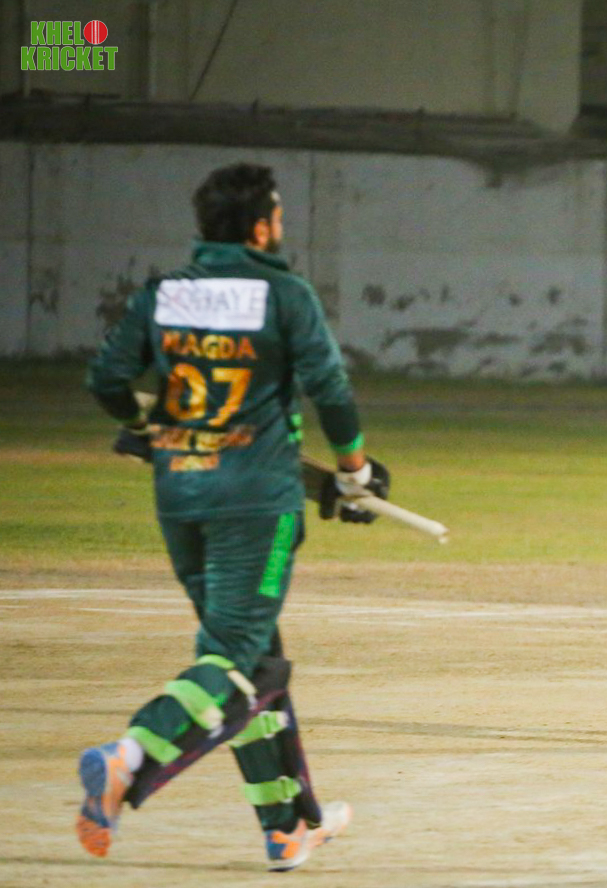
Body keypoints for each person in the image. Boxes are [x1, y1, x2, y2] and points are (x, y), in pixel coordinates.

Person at [81, 162, 388, 870]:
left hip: (180, 495)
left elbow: (107, 379)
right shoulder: (284, 294)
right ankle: (128, 754)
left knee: (251, 663)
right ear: (260, 228)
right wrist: (354, 473)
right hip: (256, 502)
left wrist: (144, 425)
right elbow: (330, 390)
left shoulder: (164, 293)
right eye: (276, 216)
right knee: (233, 663)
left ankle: (285, 828)